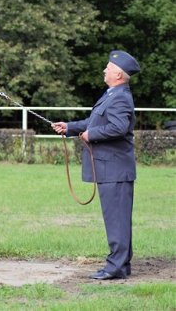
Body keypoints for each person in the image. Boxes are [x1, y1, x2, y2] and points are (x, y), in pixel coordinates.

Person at [52, 50, 140, 280]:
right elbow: (94, 122)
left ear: (119, 75)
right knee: (117, 219)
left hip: (115, 169)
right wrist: (70, 127)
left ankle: (116, 267)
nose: (104, 70)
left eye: (108, 68)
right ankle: (121, 264)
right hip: (111, 169)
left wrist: (91, 135)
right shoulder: (113, 94)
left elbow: (119, 127)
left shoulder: (120, 96)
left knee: (116, 220)